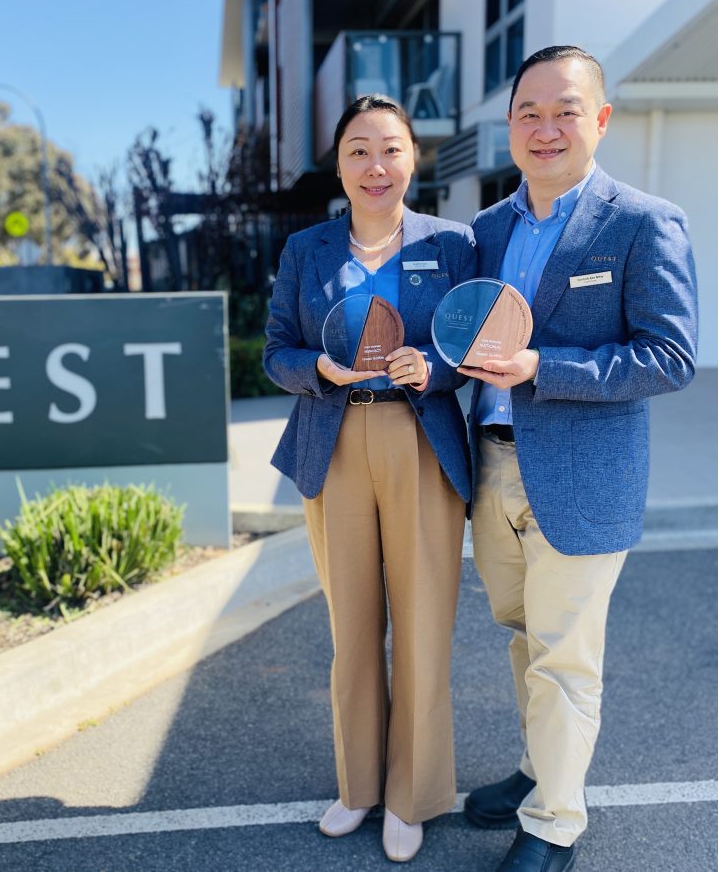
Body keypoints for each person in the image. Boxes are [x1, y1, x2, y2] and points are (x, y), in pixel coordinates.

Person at [458, 46, 698, 871]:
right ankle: (537, 771)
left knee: (565, 656)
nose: (545, 126)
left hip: (583, 478)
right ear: (510, 125)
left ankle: (555, 822)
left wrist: (542, 369)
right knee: (523, 637)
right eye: (529, 111)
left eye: (566, 109)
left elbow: (669, 356)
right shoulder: (486, 229)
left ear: (600, 119)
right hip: (490, 467)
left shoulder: (641, 221)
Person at [263, 94, 476, 862]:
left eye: (390, 148)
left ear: (412, 157)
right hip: (335, 436)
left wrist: (440, 366)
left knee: (422, 626)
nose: (375, 165)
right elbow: (276, 351)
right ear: (340, 163)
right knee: (351, 628)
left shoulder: (454, 244)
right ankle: (359, 787)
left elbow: (477, 339)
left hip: (421, 438)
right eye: (358, 150)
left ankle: (412, 795)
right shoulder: (307, 251)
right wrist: (313, 368)